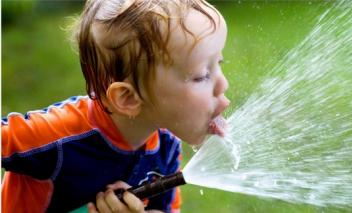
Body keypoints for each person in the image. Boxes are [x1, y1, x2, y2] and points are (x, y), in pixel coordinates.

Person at [1, 0, 230, 212]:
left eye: (218, 63)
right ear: (128, 98)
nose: (224, 83)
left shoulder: (166, 146)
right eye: (202, 75)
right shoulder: (60, 136)